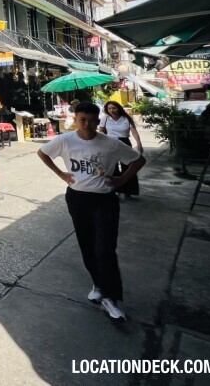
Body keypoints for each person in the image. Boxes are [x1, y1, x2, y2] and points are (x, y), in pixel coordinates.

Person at [37, 102, 146, 322]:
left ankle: (111, 297)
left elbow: (138, 160)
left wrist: (123, 179)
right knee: (87, 245)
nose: (86, 124)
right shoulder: (65, 140)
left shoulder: (111, 143)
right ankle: (98, 283)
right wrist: (62, 175)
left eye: (91, 120)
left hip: (105, 200)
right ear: (75, 120)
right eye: (82, 120)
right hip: (77, 199)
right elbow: (42, 153)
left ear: (99, 120)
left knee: (105, 247)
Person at [98, 101, 143, 199]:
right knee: (112, 168)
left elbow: (134, 132)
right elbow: (101, 131)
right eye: (109, 108)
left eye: (114, 108)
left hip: (124, 142)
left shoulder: (126, 118)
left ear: (119, 108)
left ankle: (128, 191)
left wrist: (139, 143)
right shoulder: (105, 118)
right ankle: (115, 190)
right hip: (110, 143)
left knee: (128, 167)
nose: (112, 110)